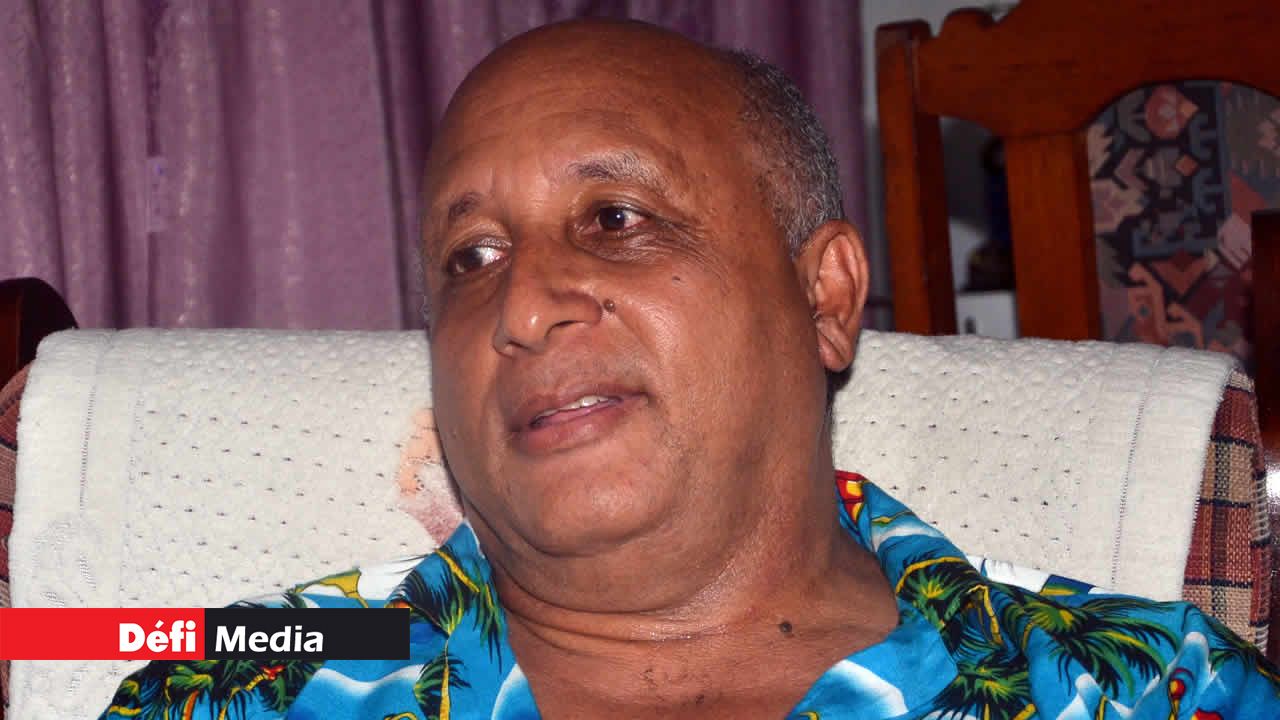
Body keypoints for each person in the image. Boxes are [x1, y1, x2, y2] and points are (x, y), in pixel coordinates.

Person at [99, 19, 1280, 720]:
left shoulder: (1146, 690)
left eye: (613, 220)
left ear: (824, 296)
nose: (520, 306)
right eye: (471, 258)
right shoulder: (238, 684)